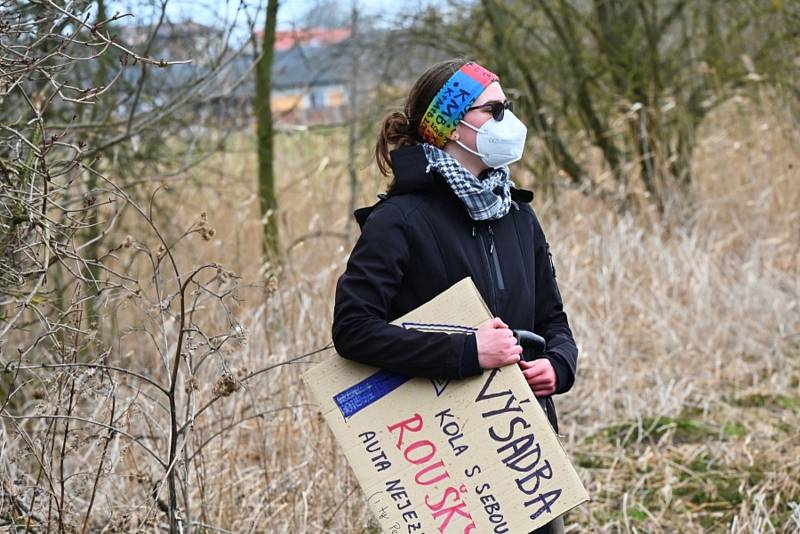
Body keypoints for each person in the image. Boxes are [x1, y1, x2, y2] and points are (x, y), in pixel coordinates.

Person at [330, 58, 578, 534]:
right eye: (495, 109)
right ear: (450, 127)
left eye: (509, 107)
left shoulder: (519, 217)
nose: (509, 120)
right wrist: (467, 351)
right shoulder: (397, 222)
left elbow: (553, 319)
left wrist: (559, 365)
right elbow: (353, 330)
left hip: (525, 447)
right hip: (444, 456)